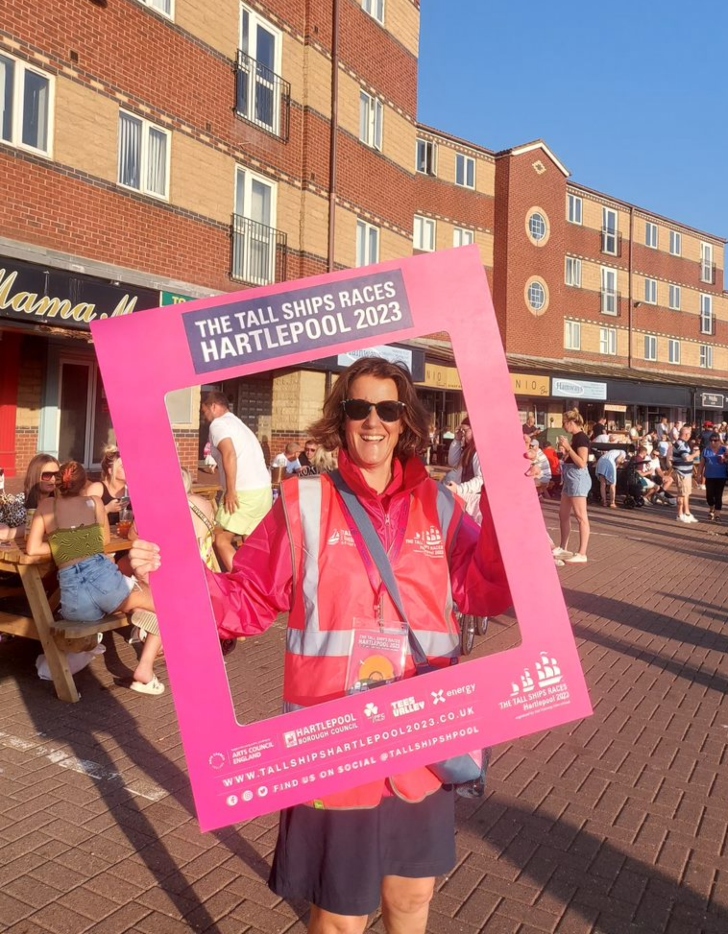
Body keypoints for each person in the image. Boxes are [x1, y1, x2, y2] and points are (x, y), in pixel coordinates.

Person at [130, 357, 511, 933]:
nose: (374, 422)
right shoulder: (302, 500)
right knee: (339, 919)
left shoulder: (441, 504)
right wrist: (167, 575)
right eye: (359, 408)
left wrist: (517, 516)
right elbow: (246, 599)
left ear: (406, 421)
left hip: (422, 738)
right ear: (341, 419)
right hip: (334, 743)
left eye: (389, 409)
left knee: (411, 903)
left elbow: (483, 589)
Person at [26, 461, 154, 622]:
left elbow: (33, 548)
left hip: (74, 599)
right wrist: (81, 542)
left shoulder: (46, 506)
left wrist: (65, 544)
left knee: (133, 610)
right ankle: (147, 628)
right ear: (83, 484)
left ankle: (141, 618)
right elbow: (104, 539)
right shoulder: (94, 502)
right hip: (105, 583)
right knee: (159, 601)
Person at [128, 469, 218, 695]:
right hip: (202, 575)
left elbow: (134, 534)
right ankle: (152, 657)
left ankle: (146, 663)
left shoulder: (163, 507)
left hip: (175, 577)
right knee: (170, 604)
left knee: (164, 601)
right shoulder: (203, 504)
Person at [202, 391, 272, 571]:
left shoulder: (218, 424)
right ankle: (258, 577)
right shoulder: (237, 423)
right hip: (263, 489)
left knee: (220, 538)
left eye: (205, 412)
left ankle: (243, 580)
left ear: (214, 407)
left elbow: (229, 453)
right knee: (250, 538)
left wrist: (231, 491)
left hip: (243, 491)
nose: (205, 418)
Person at [553, 410, 591, 564]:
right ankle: (563, 547)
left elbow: (582, 462)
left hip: (577, 478)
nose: (563, 427)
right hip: (570, 477)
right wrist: (565, 451)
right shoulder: (575, 438)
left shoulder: (581, 437)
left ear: (571, 422)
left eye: (564, 423)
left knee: (581, 516)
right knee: (563, 514)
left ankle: (582, 552)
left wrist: (568, 448)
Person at [445, 417, 483, 520]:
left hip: (474, 501)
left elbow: (481, 480)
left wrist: (459, 489)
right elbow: (452, 461)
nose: (463, 434)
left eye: (465, 431)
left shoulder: (477, 452)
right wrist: (457, 440)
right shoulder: (468, 449)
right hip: (465, 499)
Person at [85, 445, 128, 528]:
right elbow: (84, 513)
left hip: (122, 538)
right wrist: (107, 509)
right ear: (111, 470)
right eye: (123, 467)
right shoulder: (98, 488)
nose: (128, 469)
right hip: (100, 537)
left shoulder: (129, 490)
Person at [698, 434, 728, 521]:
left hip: (721, 476)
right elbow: (701, 464)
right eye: (711, 440)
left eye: (715, 440)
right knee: (709, 495)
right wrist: (699, 475)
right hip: (709, 476)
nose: (713, 442)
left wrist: (725, 460)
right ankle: (711, 507)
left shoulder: (724, 450)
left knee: (718, 495)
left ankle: (717, 514)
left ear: (719, 441)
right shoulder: (706, 450)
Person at [671, 425, 697, 523]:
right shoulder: (680, 444)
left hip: (686, 473)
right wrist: (695, 454)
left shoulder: (685, 444)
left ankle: (687, 512)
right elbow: (686, 457)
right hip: (681, 473)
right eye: (689, 433)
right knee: (681, 494)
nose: (690, 435)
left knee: (686, 493)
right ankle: (679, 514)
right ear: (686, 434)